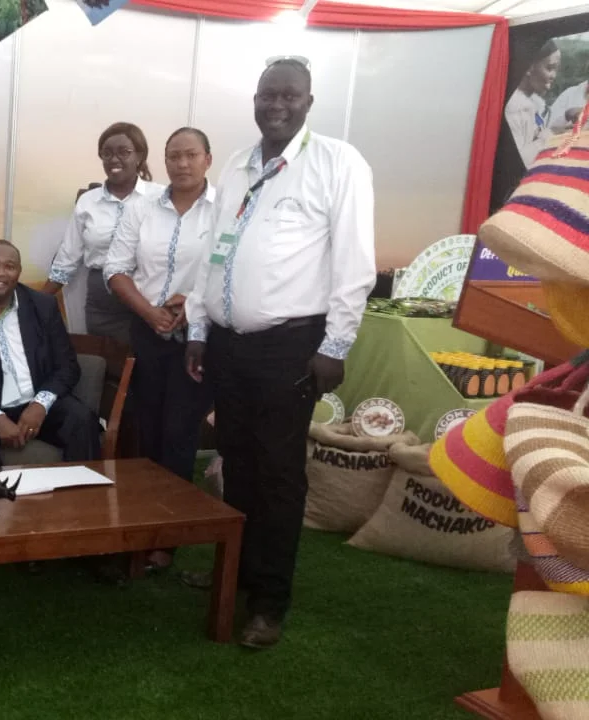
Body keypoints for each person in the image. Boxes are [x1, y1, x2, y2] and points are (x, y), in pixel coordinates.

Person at [184, 58, 376, 649]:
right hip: (228, 345)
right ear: (255, 99)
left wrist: (335, 345)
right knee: (236, 463)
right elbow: (212, 254)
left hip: (291, 346)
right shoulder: (237, 165)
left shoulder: (338, 163)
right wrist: (198, 327)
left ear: (309, 102)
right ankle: (238, 572)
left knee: (278, 475)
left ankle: (269, 601)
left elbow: (355, 263)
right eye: (268, 95)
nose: (276, 105)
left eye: (289, 95)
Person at [105, 126, 216, 494]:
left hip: (197, 337)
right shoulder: (141, 208)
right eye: (174, 156)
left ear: (207, 160)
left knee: (180, 430)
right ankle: (146, 509)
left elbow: (231, 269)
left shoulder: (225, 210)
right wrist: (149, 313)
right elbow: (115, 269)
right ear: (164, 161)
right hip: (147, 329)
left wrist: (194, 299)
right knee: (147, 425)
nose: (182, 164)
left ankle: (174, 514)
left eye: (191, 155)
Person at [0, 240, 100, 467]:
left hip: (35, 400)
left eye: (9, 266)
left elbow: (68, 367)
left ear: (19, 272)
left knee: (81, 419)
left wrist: (40, 405)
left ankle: (81, 488)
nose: (0, 273)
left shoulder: (43, 305)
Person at [43, 122, 164, 346]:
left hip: (148, 301)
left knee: (146, 362)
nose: (114, 159)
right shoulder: (88, 201)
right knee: (105, 363)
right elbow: (67, 257)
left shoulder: (160, 198)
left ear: (139, 155)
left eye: (123, 152)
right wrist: (37, 301)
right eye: (107, 153)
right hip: (102, 306)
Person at [505, 40, 561, 168]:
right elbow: (518, 162)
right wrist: (550, 136)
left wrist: (565, 121)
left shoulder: (535, 105)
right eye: (550, 68)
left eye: (556, 70)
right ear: (529, 67)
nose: (554, 76)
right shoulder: (513, 110)